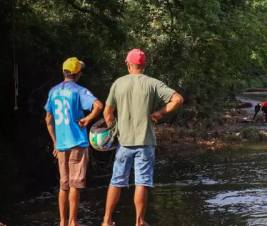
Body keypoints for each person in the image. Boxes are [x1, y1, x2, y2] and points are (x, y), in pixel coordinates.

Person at [102, 49, 184, 226]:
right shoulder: (153, 83)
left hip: (123, 142)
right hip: (145, 141)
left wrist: (113, 132)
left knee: (116, 181)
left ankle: (107, 220)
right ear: (144, 65)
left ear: (128, 65)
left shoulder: (118, 83)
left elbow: (107, 113)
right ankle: (139, 221)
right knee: (142, 182)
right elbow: (177, 99)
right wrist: (160, 113)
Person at [45, 57, 103, 226]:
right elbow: (98, 106)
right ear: (78, 74)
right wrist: (88, 119)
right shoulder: (79, 91)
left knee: (63, 185)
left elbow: (48, 118)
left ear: (64, 72)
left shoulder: (53, 91)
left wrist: (55, 142)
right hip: (77, 142)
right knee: (75, 185)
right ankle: (73, 222)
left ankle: (62, 222)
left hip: (61, 144)